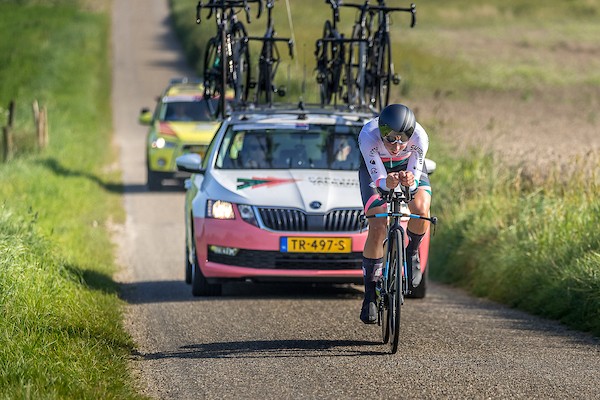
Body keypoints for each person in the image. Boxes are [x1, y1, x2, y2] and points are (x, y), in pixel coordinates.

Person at [357, 103, 432, 324]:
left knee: (421, 209)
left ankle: (411, 252)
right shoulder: (368, 135)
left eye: (403, 139)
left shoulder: (420, 137)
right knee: (378, 224)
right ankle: (370, 293)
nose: (397, 145)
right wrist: (386, 182)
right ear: (381, 132)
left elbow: (415, 174)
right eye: (390, 139)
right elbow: (377, 177)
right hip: (377, 169)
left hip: (407, 167)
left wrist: (410, 180)